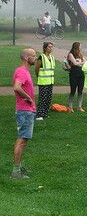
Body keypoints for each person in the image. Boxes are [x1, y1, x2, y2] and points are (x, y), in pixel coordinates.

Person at [12, 49, 37, 180]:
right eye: (34, 55)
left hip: (27, 110)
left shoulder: (24, 71)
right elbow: (17, 87)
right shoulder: (22, 71)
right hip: (24, 111)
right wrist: (28, 97)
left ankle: (18, 166)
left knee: (24, 140)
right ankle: (16, 171)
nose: (36, 57)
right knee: (21, 140)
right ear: (27, 57)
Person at [34, 41, 55, 120]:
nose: (51, 48)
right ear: (45, 48)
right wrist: (38, 76)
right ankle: (39, 115)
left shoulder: (52, 57)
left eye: (52, 47)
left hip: (50, 81)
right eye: (49, 47)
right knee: (42, 98)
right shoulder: (41, 57)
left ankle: (45, 113)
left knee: (48, 98)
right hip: (43, 81)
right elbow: (37, 68)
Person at [67, 42, 85, 112]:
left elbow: (85, 61)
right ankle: (70, 107)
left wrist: (80, 63)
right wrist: (81, 63)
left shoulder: (80, 54)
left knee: (80, 90)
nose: (81, 47)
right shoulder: (71, 54)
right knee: (73, 90)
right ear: (77, 47)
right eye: (80, 46)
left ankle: (79, 106)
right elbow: (74, 63)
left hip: (81, 73)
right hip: (74, 74)